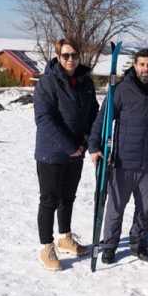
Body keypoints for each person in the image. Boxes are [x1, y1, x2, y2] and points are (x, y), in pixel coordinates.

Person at [88, 48, 148, 263]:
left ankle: (139, 243)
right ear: (135, 65)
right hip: (122, 161)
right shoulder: (120, 90)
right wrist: (94, 146)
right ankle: (109, 245)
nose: (146, 69)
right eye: (142, 64)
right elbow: (103, 119)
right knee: (116, 207)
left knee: (145, 208)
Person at [34, 38, 98, 271]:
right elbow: (44, 119)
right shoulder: (47, 83)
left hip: (77, 151)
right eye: (65, 56)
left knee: (68, 198)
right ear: (58, 57)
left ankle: (65, 237)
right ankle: (46, 247)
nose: (70, 59)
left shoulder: (85, 82)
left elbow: (93, 114)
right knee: (49, 200)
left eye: (74, 55)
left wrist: (90, 143)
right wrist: (70, 146)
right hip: (52, 153)